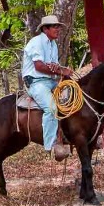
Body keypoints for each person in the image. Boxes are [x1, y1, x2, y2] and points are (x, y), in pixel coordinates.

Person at [21, 15, 74, 161]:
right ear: (45, 29)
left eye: (58, 27)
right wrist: (61, 71)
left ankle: (71, 134)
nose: (58, 29)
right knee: (52, 108)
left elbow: (53, 66)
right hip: (35, 82)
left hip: (50, 81)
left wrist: (60, 70)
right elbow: (39, 66)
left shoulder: (53, 44)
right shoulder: (36, 42)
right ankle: (51, 145)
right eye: (55, 27)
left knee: (73, 96)